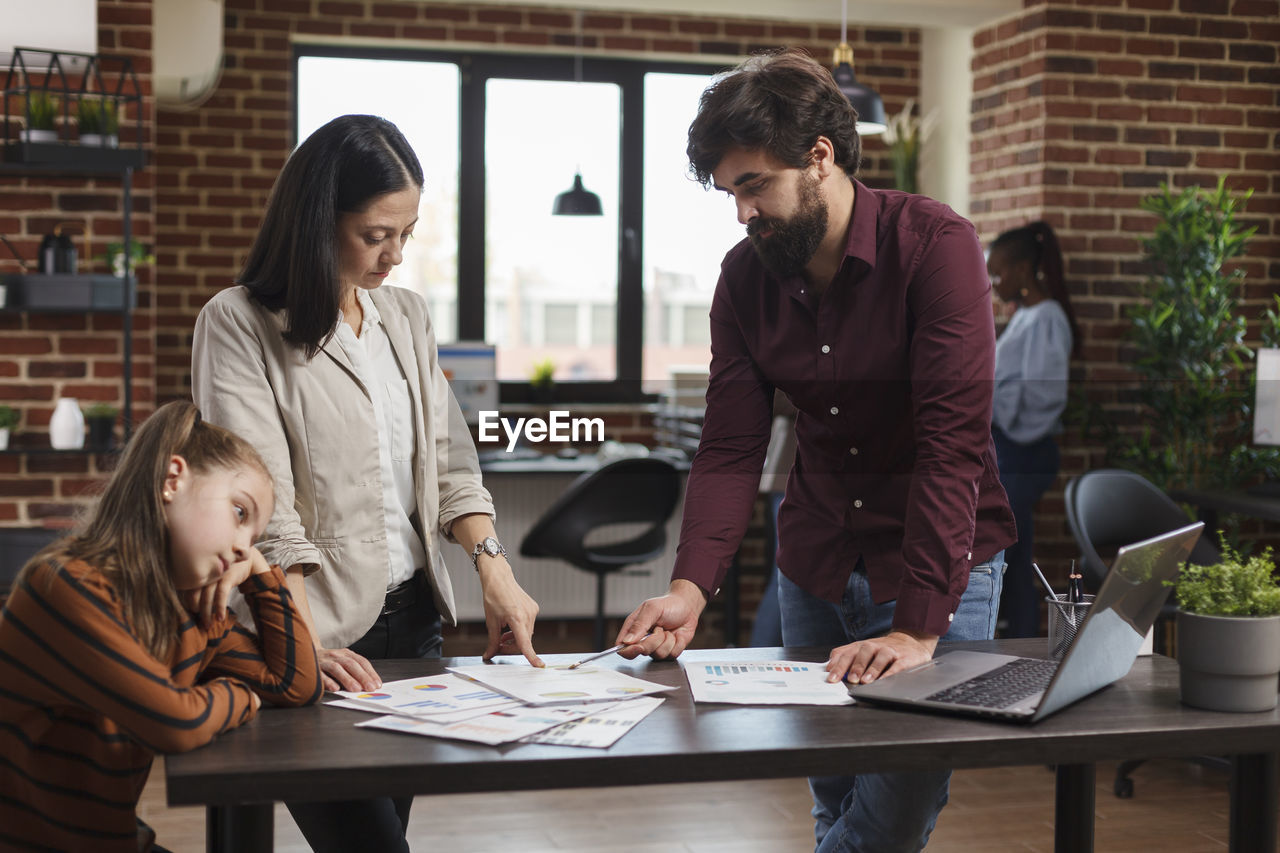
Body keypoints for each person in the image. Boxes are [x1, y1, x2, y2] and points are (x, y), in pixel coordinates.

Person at [616, 49, 1016, 853]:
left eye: (753, 185)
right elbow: (730, 444)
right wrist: (692, 587)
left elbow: (952, 444)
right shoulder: (744, 280)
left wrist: (915, 630)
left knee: (897, 803)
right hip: (817, 561)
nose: (742, 213)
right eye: (731, 192)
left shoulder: (934, 248)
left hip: (939, 565)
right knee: (834, 794)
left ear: (819, 158)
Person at [191, 113, 543, 852]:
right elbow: (260, 508)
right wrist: (298, 646)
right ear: (319, 219)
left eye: (406, 234)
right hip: (309, 630)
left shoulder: (405, 318)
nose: (395, 255)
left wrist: (496, 570)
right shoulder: (239, 322)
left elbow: (450, 465)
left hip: (413, 627)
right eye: (376, 234)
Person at [0, 400, 321, 852]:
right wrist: (243, 696)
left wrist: (260, 574)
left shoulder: (190, 612)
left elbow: (296, 685)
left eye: (251, 541)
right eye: (239, 513)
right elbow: (174, 723)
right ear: (173, 479)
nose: (240, 547)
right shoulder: (64, 585)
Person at [988, 221, 1078, 638]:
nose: (994, 282)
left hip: (1023, 450)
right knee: (1010, 549)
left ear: (1024, 269)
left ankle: (1019, 638)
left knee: (1011, 553)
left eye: (999, 272)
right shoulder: (1027, 317)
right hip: (1007, 448)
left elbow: (1042, 395)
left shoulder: (1046, 319)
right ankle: (1012, 632)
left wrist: (1000, 418)